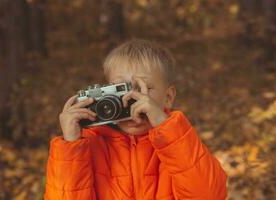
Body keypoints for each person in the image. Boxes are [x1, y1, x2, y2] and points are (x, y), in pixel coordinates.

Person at [44, 39, 227, 199]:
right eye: (121, 90)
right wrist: (70, 147)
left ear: (168, 97)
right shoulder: (89, 145)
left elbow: (209, 195)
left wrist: (168, 129)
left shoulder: (178, 142)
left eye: (143, 89)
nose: (131, 100)